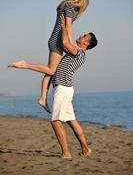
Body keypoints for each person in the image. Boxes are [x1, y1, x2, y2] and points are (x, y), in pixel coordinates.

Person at [9, 14, 98, 158]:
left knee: (56, 121)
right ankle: (86, 149)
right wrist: (69, 24)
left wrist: (64, 26)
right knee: (71, 121)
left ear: (86, 43)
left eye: (84, 36)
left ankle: (66, 153)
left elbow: (65, 42)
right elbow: (67, 40)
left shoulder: (79, 52)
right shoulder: (77, 52)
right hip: (64, 88)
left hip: (63, 88)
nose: (81, 35)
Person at [8, 0, 89, 113]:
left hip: (55, 40)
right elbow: (68, 27)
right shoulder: (71, 7)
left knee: (51, 69)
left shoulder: (64, 5)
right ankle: (25, 64)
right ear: (82, 2)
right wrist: (69, 44)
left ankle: (43, 98)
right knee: (51, 69)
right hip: (58, 42)